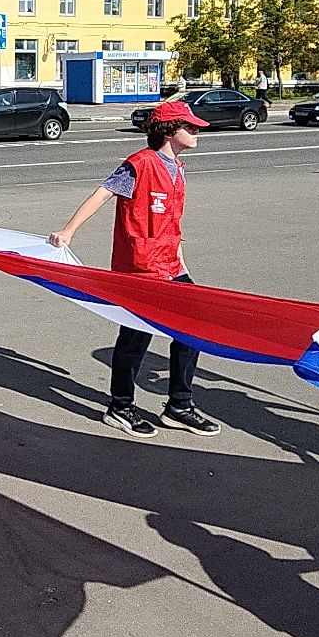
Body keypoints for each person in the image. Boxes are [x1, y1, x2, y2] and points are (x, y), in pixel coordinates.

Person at [48, 99, 223, 438]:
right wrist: (68, 231)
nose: (198, 131)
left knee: (193, 329)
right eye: (190, 127)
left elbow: (171, 224)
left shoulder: (179, 168)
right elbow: (102, 193)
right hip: (140, 268)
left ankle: (179, 406)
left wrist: (182, 263)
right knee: (135, 336)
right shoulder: (139, 164)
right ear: (169, 131)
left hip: (169, 265)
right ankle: (120, 406)